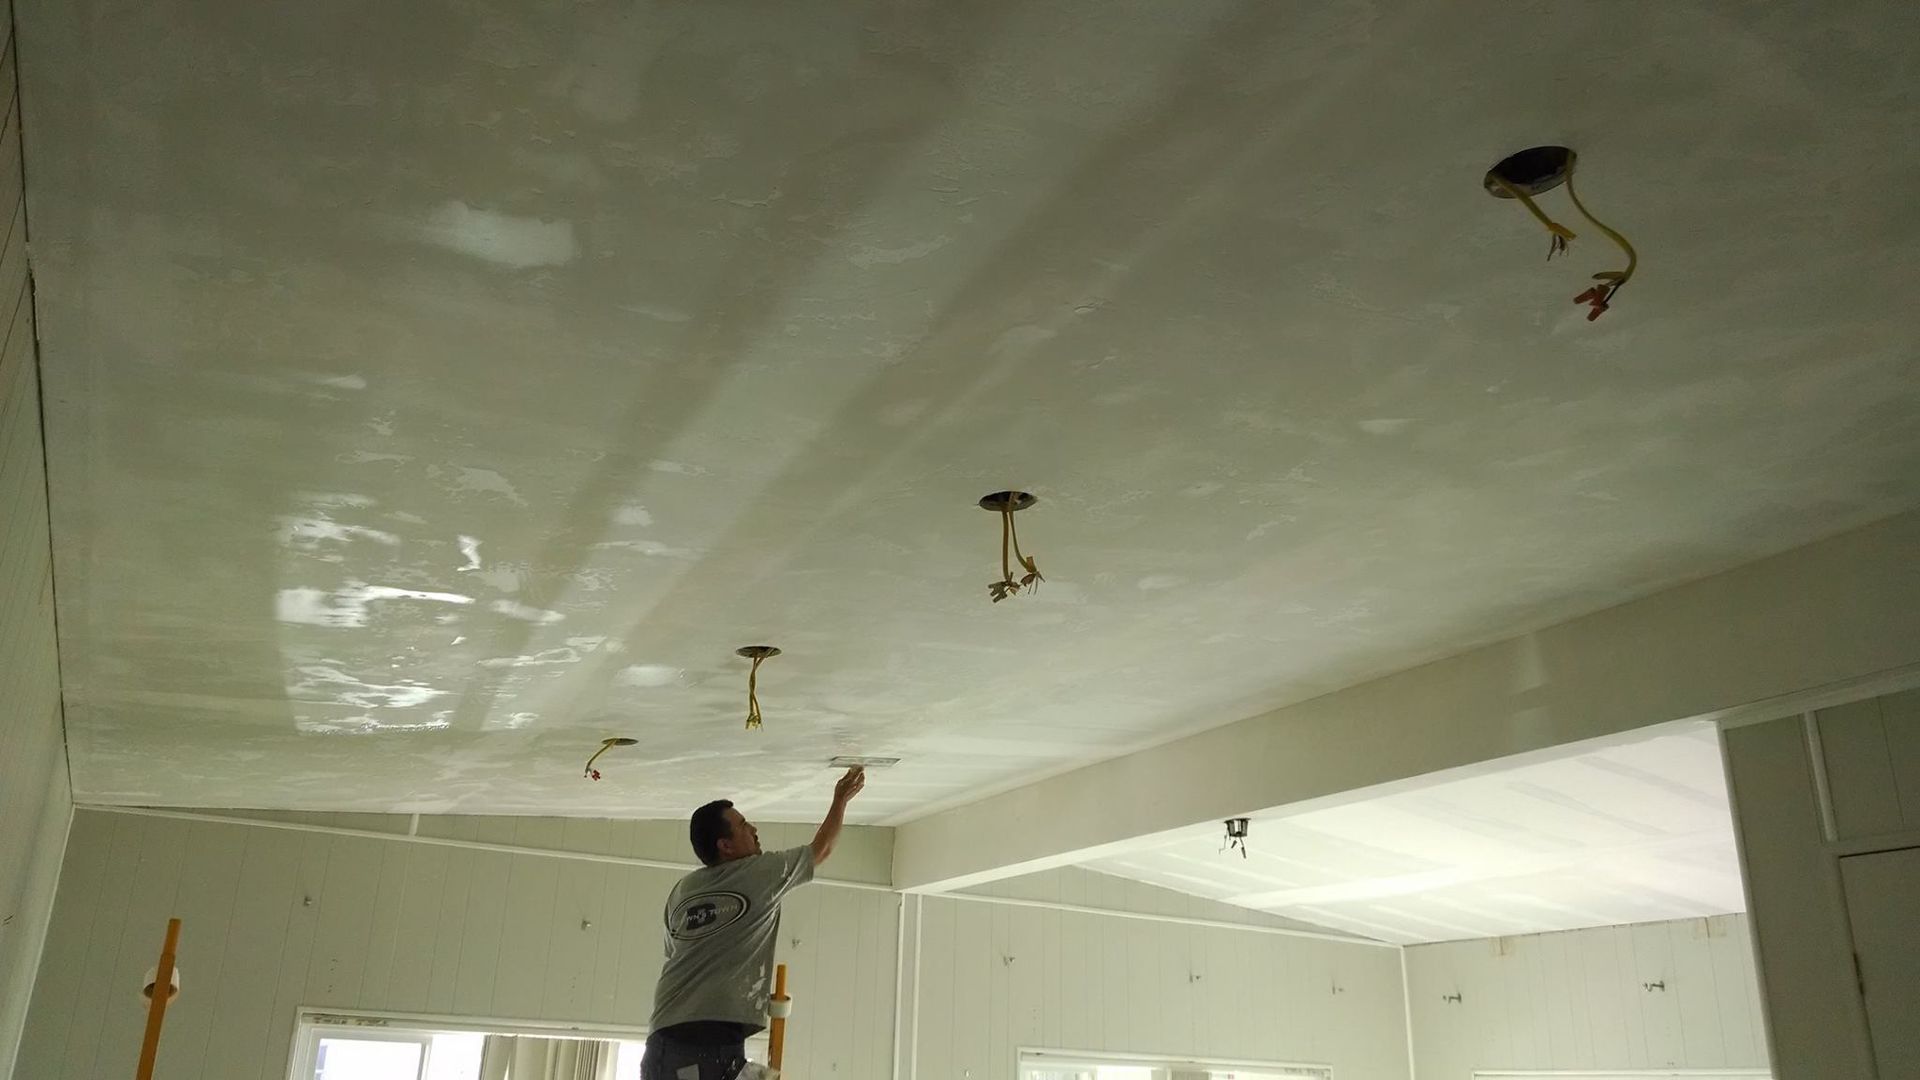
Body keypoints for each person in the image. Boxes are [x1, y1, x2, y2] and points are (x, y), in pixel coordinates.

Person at [642, 766, 867, 1080]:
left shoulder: (683, 890)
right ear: (726, 846)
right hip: (701, 1042)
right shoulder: (757, 873)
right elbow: (821, 850)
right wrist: (841, 799)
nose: (754, 829)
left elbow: (676, 952)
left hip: (669, 1038)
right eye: (744, 826)